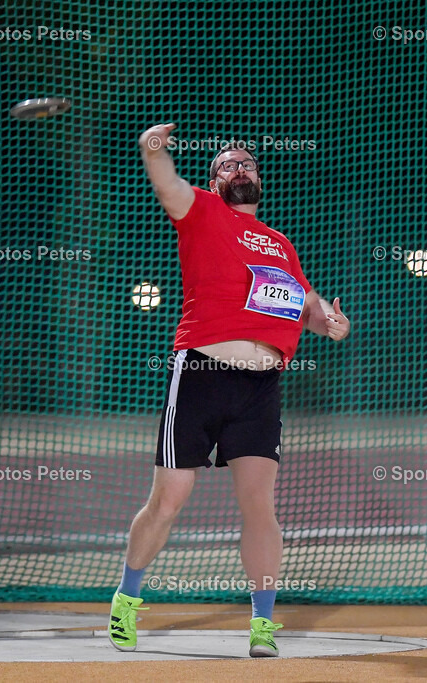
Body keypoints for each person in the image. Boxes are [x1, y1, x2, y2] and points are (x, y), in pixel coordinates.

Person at [108, 123, 349, 658]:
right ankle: (127, 597)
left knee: (259, 506)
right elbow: (167, 183)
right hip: (199, 374)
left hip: (261, 386)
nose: (240, 169)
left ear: (258, 180)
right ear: (215, 182)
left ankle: (262, 625)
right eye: (227, 166)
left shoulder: (281, 244)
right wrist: (153, 150)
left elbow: (305, 306)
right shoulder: (200, 212)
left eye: (247, 164)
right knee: (169, 500)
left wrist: (331, 322)